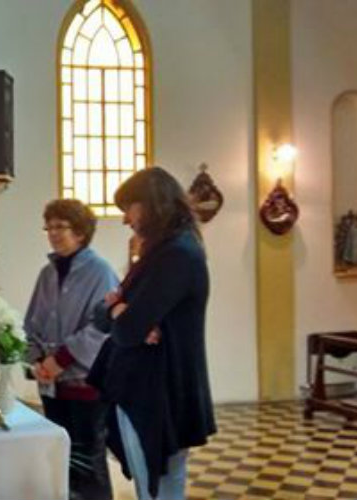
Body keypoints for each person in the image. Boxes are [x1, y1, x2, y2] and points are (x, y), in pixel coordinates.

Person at [88, 167, 216, 500]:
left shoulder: (177, 254)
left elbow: (127, 329)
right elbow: (101, 316)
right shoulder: (158, 253)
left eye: (128, 209)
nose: (125, 220)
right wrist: (120, 311)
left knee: (160, 489)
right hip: (143, 387)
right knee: (151, 487)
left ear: (150, 205)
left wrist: (121, 312)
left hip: (162, 389)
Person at [24, 198, 119, 500]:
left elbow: (102, 329)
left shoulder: (100, 271)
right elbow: (32, 322)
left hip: (85, 385)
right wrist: (38, 359)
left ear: (80, 231)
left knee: (88, 462)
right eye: (48, 227)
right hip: (51, 385)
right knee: (59, 459)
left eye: (60, 226)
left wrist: (61, 360)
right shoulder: (47, 273)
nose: (52, 233)